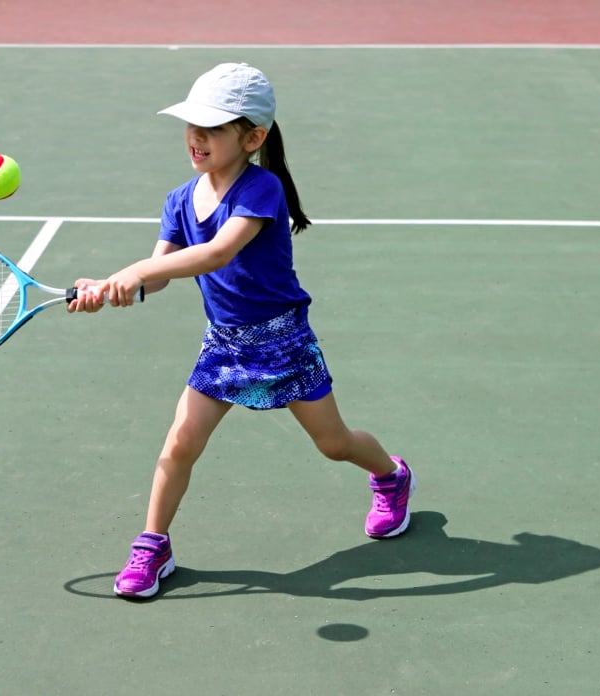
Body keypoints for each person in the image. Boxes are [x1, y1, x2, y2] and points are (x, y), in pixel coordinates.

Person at [67, 63, 415, 599]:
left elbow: (217, 252)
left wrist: (133, 273)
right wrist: (111, 289)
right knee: (180, 442)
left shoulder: (262, 189)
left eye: (212, 127)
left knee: (333, 443)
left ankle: (391, 475)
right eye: (191, 124)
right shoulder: (180, 200)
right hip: (225, 345)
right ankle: (153, 544)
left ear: (253, 137)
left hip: (283, 342)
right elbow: (157, 279)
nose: (195, 137)